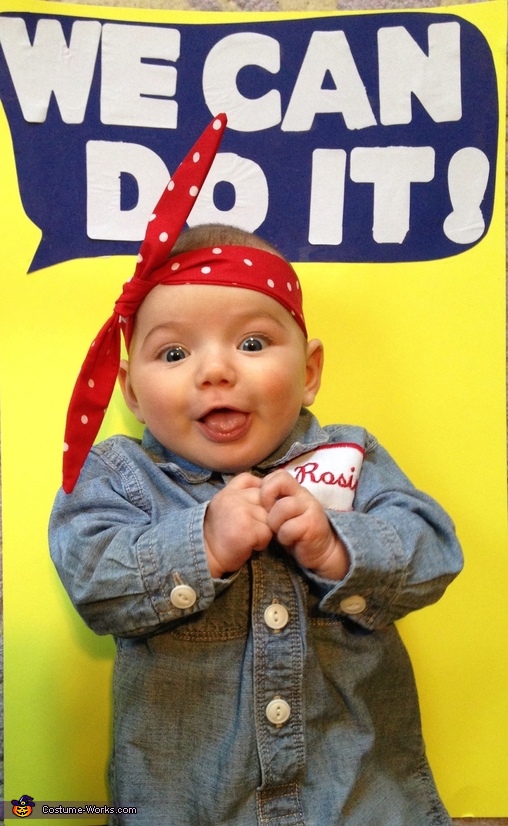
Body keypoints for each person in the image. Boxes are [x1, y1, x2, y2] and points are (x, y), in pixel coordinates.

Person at [49, 115, 463, 826]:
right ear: (132, 393)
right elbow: (93, 583)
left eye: (251, 341)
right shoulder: (118, 476)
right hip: (184, 802)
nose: (215, 370)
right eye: (174, 354)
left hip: (358, 796)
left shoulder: (348, 455)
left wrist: (338, 546)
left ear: (308, 373)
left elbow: (434, 552)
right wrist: (200, 543)